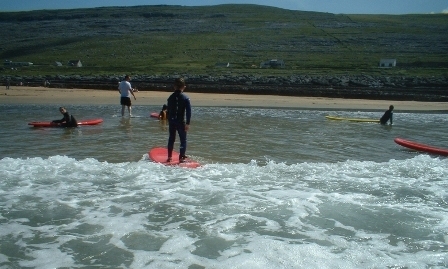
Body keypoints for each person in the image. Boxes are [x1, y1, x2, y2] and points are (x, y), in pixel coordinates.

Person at [166, 78, 191, 163]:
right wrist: (188, 123)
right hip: (181, 121)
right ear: (184, 87)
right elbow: (188, 112)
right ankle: (181, 157)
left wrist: (169, 120)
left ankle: (169, 157)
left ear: (174, 86)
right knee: (183, 140)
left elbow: (168, 110)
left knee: (171, 138)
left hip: (172, 121)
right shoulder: (185, 98)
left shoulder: (170, 97)